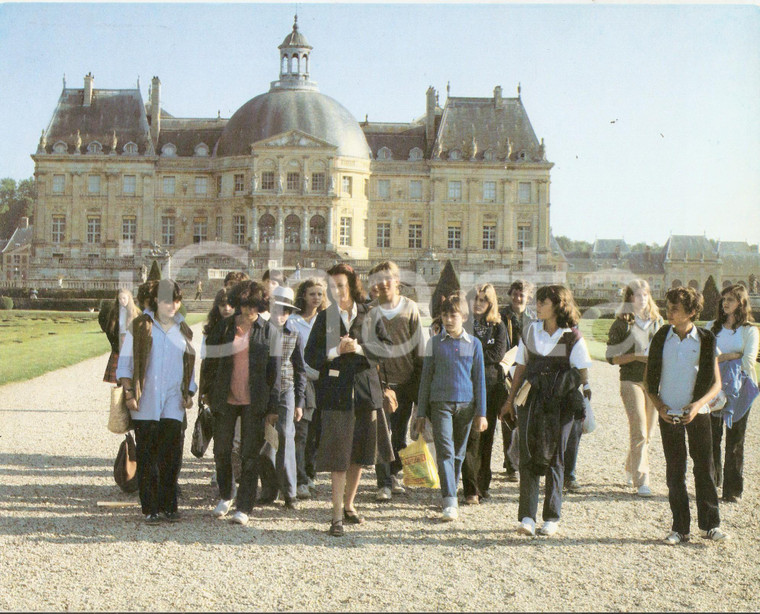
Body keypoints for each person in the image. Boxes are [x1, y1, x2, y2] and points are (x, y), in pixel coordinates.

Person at [304, 263, 393, 537]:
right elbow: (310, 355)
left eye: (341, 286)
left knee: (360, 454)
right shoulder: (325, 317)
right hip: (336, 394)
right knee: (338, 454)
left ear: (352, 285)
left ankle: (350, 505)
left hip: (365, 392)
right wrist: (335, 351)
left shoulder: (370, 313)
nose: (336, 291)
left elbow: (387, 347)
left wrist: (360, 348)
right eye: (332, 287)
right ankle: (335, 516)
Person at [500, 285, 592, 538]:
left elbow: (583, 375)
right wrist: (510, 401)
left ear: (558, 305)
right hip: (533, 399)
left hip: (561, 404)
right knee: (528, 453)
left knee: (556, 456)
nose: (537, 306)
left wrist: (587, 408)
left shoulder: (572, 337)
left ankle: (551, 517)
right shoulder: (530, 331)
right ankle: (527, 517)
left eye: (542, 302)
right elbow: (521, 366)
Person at [646, 286, 727, 544]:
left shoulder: (706, 339)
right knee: (675, 471)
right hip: (668, 412)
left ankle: (711, 525)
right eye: (667, 307)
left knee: (704, 468)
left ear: (692, 312)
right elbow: (649, 380)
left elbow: (716, 384)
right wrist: (659, 406)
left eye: (675, 309)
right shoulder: (660, 337)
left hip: (698, 412)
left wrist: (697, 405)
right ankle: (680, 528)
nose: (668, 312)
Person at [199, 280, 282, 526]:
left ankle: (245, 506)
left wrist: (273, 407)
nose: (249, 310)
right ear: (238, 304)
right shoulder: (223, 329)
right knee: (221, 450)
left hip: (255, 401)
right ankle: (226, 494)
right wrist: (205, 391)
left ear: (261, 305)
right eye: (245, 305)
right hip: (225, 398)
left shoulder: (270, 332)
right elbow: (209, 363)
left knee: (249, 455)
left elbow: (274, 373)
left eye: (254, 305)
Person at [116, 279, 197, 524]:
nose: (171, 305)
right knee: (149, 456)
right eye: (165, 300)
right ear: (156, 302)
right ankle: (150, 507)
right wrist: (129, 393)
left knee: (171, 457)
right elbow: (125, 363)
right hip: (146, 400)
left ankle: (169, 505)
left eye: (175, 300)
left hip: (173, 400)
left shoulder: (183, 329)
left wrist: (189, 391)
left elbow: (190, 364)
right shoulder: (141, 326)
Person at [416, 291, 487, 522]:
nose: (448, 320)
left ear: (464, 317)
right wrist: (420, 413)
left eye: (453, 315)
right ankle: (449, 500)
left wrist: (482, 413)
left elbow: (480, 381)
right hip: (440, 404)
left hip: (466, 406)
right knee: (445, 452)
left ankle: (451, 492)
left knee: (458, 453)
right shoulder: (434, 343)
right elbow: (426, 378)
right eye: (445, 315)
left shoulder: (474, 344)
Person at [367, 261, 424, 502]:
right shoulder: (370, 311)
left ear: (397, 281)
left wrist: (420, 388)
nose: (382, 283)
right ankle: (384, 482)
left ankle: (395, 473)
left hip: (406, 381)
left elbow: (420, 349)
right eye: (377, 279)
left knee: (399, 435)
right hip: (379, 383)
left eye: (387, 278)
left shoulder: (410, 308)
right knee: (382, 434)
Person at [605, 279, 664, 497]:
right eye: (638, 295)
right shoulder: (621, 324)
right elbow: (611, 357)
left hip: (653, 382)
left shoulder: (658, 322)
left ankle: (630, 466)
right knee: (639, 429)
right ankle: (642, 480)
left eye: (646, 295)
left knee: (648, 433)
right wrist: (637, 357)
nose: (642, 299)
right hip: (630, 380)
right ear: (630, 299)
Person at [706, 284, 759, 503]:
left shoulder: (750, 331)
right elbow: (706, 358)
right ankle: (712, 482)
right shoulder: (712, 327)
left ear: (741, 303)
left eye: (731, 299)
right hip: (715, 388)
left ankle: (732, 489)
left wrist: (725, 358)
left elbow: (748, 360)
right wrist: (729, 357)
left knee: (736, 439)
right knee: (713, 437)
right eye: (724, 299)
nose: (725, 303)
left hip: (740, 389)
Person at [461, 283, 507, 504]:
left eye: (483, 300)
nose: (478, 304)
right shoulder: (463, 323)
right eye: (476, 299)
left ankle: (483, 484)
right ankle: (470, 489)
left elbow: (498, 354)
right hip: (466, 386)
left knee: (486, 437)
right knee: (469, 438)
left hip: (490, 387)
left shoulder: (498, 326)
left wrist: (475, 354)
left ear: (490, 303)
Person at [265, 285, 307, 509]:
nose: (280, 315)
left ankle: (290, 492)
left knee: (285, 435)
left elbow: (300, 369)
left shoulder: (295, 335)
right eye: (277, 309)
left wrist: (300, 401)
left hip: (286, 390)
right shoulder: (261, 332)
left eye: (285, 311)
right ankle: (269, 489)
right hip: (263, 391)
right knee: (265, 440)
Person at [288, 277, 328, 499]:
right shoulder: (293, 321)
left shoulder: (326, 320)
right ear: (303, 295)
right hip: (302, 380)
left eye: (320, 294)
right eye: (312, 293)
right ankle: (301, 477)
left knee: (318, 432)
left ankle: (310, 473)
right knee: (301, 431)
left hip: (323, 380)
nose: (316, 298)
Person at [499, 279, 535, 481]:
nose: (517, 298)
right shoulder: (503, 316)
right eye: (514, 294)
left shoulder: (533, 317)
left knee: (526, 418)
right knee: (508, 414)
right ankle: (510, 464)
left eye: (521, 294)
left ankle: (520, 459)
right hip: (508, 369)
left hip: (527, 370)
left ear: (528, 297)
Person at [99, 288, 140, 384]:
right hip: (119, 346)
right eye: (120, 299)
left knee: (133, 377)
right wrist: (115, 346)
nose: (122, 301)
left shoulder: (136, 313)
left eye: (124, 298)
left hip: (132, 347)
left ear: (129, 299)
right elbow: (110, 331)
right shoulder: (114, 312)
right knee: (119, 379)